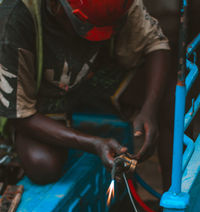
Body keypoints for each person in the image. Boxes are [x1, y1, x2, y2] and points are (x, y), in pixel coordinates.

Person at [0, 0, 171, 187]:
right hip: (43, 94)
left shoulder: (116, 3)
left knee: (171, 101)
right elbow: (20, 113)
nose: (93, 39)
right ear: (55, 5)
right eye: (84, 27)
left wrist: (150, 109)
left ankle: (172, 207)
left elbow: (155, 44)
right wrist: (93, 143)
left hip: (96, 75)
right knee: (43, 165)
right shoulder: (13, 16)